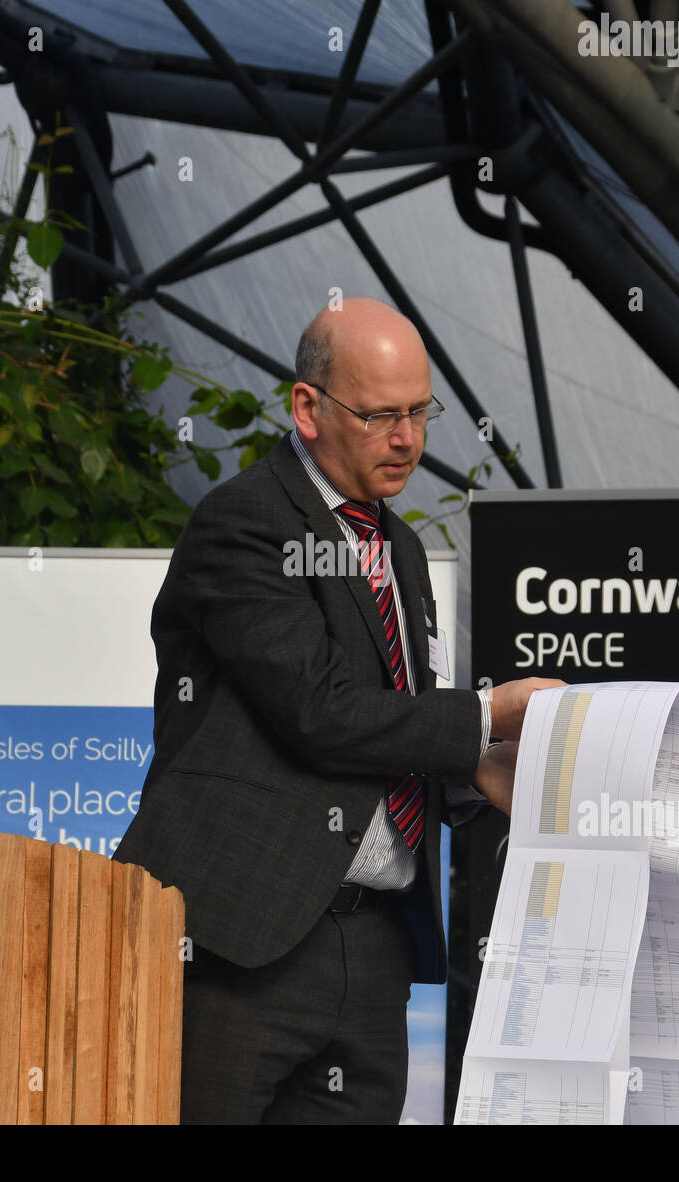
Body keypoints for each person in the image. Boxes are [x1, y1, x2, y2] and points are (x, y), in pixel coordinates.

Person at [113, 297, 562, 1123]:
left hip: (376, 944)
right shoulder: (243, 522)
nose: (408, 440)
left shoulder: (401, 548)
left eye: (419, 412)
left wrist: (476, 772)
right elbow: (318, 710)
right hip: (240, 940)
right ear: (308, 409)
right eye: (380, 415)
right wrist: (488, 713)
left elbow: (397, 718)